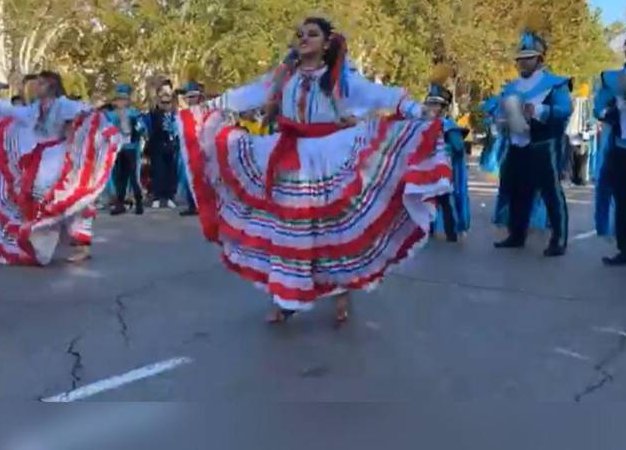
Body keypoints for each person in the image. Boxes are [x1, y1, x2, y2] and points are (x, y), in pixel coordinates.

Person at [178, 17, 451, 324]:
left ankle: (341, 288)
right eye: (300, 34)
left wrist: (418, 111)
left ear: (326, 43)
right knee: (287, 230)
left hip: (328, 158)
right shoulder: (283, 77)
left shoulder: (340, 79)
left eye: (312, 34)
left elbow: (382, 95)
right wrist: (207, 108)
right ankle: (285, 298)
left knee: (330, 230)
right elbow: (248, 94)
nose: (304, 38)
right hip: (286, 157)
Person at [0, 71, 123, 266]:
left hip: (60, 158)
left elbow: (84, 117)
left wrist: (77, 146)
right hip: (41, 160)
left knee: (68, 200)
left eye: (41, 83)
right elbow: (12, 112)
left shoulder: (63, 105)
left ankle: (80, 246)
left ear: (52, 86)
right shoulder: (36, 108)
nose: (36, 87)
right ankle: (40, 243)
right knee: (35, 200)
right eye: (37, 83)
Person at [493, 29, 572, 257]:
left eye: (528, 58)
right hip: (517, 145)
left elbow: (564, 110)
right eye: (520, 59)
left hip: (543, 145)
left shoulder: (555, 83)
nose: (523, 63)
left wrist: (538, 110)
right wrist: (500, 120)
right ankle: (517, 234)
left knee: (551, 192)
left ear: (540, 59)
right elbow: (499, 112)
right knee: (517, 191)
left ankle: (559, 239)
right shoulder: (511, 87)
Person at [594, 25, 626, 266]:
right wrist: (611, 113)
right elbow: (598, 109)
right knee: (624, 200)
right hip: (624, 149)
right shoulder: (613, 79)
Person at [425, 82, 470, 242]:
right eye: (430, 103)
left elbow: (458, 148)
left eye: (435, 104)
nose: (431, 107)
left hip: (445, 171)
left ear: (443, 108)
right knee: (427, 199)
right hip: (427, 170)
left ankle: (452, 232)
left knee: (445, 201)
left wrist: (443, 148)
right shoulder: (423, 124)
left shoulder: (449, 126)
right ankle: (428, 230)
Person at [106, 83, 145, 216]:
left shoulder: (134, 113)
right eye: (118, 99)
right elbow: (106, 129)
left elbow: (142, 128)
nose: (120, 102)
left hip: (131, 148)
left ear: (128, 101)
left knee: (133, 176)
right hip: (118, 148)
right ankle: (120, 203)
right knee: (119, 177)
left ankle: (139, 202)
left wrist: (137, 129)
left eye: (123, 99)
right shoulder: (110, 115)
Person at [145, 81, 179, 209]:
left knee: (170, 171)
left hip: (171, 146)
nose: (165, 105)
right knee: (158, 171)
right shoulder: (153, 114)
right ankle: (157, 197)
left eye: (168, 102)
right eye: (163, 102)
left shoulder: (175, 115)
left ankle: (169, 196)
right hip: (157, 146)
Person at [177, 81, 205, 216]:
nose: (192, 99)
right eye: (189, 97)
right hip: (188, 148)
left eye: (194, 96)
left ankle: (204, 204)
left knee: (203, 177)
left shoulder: (204, 111)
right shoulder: (182, 114)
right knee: (188, 176)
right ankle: (192, 204)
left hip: (202, 148)